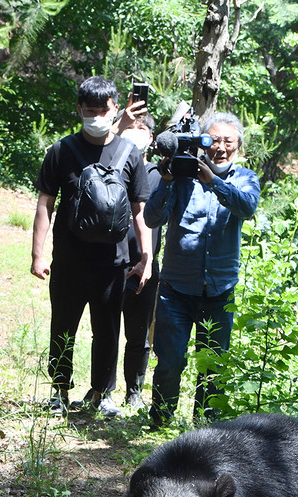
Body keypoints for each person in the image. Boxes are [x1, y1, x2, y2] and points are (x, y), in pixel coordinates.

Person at [30, 76, 152, 418]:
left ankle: (102, 394)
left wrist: (147, 257)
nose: (97, 115)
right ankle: (58, 391)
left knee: (108, 329)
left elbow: (141, 210)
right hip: (68, 259)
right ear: (79, 109)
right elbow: (45, 204)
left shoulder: (130, 153)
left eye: (103, 109)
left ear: (116, 109)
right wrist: (37, 254)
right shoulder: (61, 151)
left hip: (114, 262)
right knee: (63, 326)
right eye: (90, 109)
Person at [144, 110, 260, 428]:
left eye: (228, 141)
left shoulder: (245, 178)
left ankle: (207, 429)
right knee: (170, 360)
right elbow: (151, 218)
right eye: (214, 140)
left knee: (213, 367)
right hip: (176, 288)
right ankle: (160, 421)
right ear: (203, 143)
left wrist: (214, 182)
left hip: (219, 290)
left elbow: (246, 207)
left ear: (238, 146)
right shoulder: (181, 179)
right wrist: (166, 180)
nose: (220, 148)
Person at [116, 109, 162, 409]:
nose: (136, 130)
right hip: (109, 260)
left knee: (139, 334)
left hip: (145, 265)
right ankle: (100, 389)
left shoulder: (161, 174)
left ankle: (134, 390)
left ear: (151, 137)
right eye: (130, 125)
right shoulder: (113, 165)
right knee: (104, 331)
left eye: (142, 127)